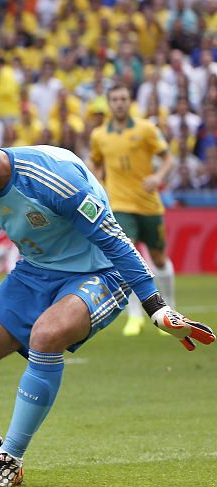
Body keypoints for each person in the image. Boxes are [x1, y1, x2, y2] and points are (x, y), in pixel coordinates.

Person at [0, 126, 214, 487]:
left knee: (46, 336)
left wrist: (157, 308)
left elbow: (115, 241)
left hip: (100, 272)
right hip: (35, 271)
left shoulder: (52, 179)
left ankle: (11, 459)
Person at [88, 84, 176, 337]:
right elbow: (94, 162)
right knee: (130, 260)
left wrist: (158, 176)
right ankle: (136, 316)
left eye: (123, 98)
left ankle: (170, 309)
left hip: (149, 204)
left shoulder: (146, 129)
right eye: (114, 99)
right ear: (109, 103)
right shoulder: (99, 135)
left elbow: (168, 157)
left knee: (158, 258)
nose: (119, 103)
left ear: (130, 101)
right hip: (119, 205)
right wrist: (98, 185)